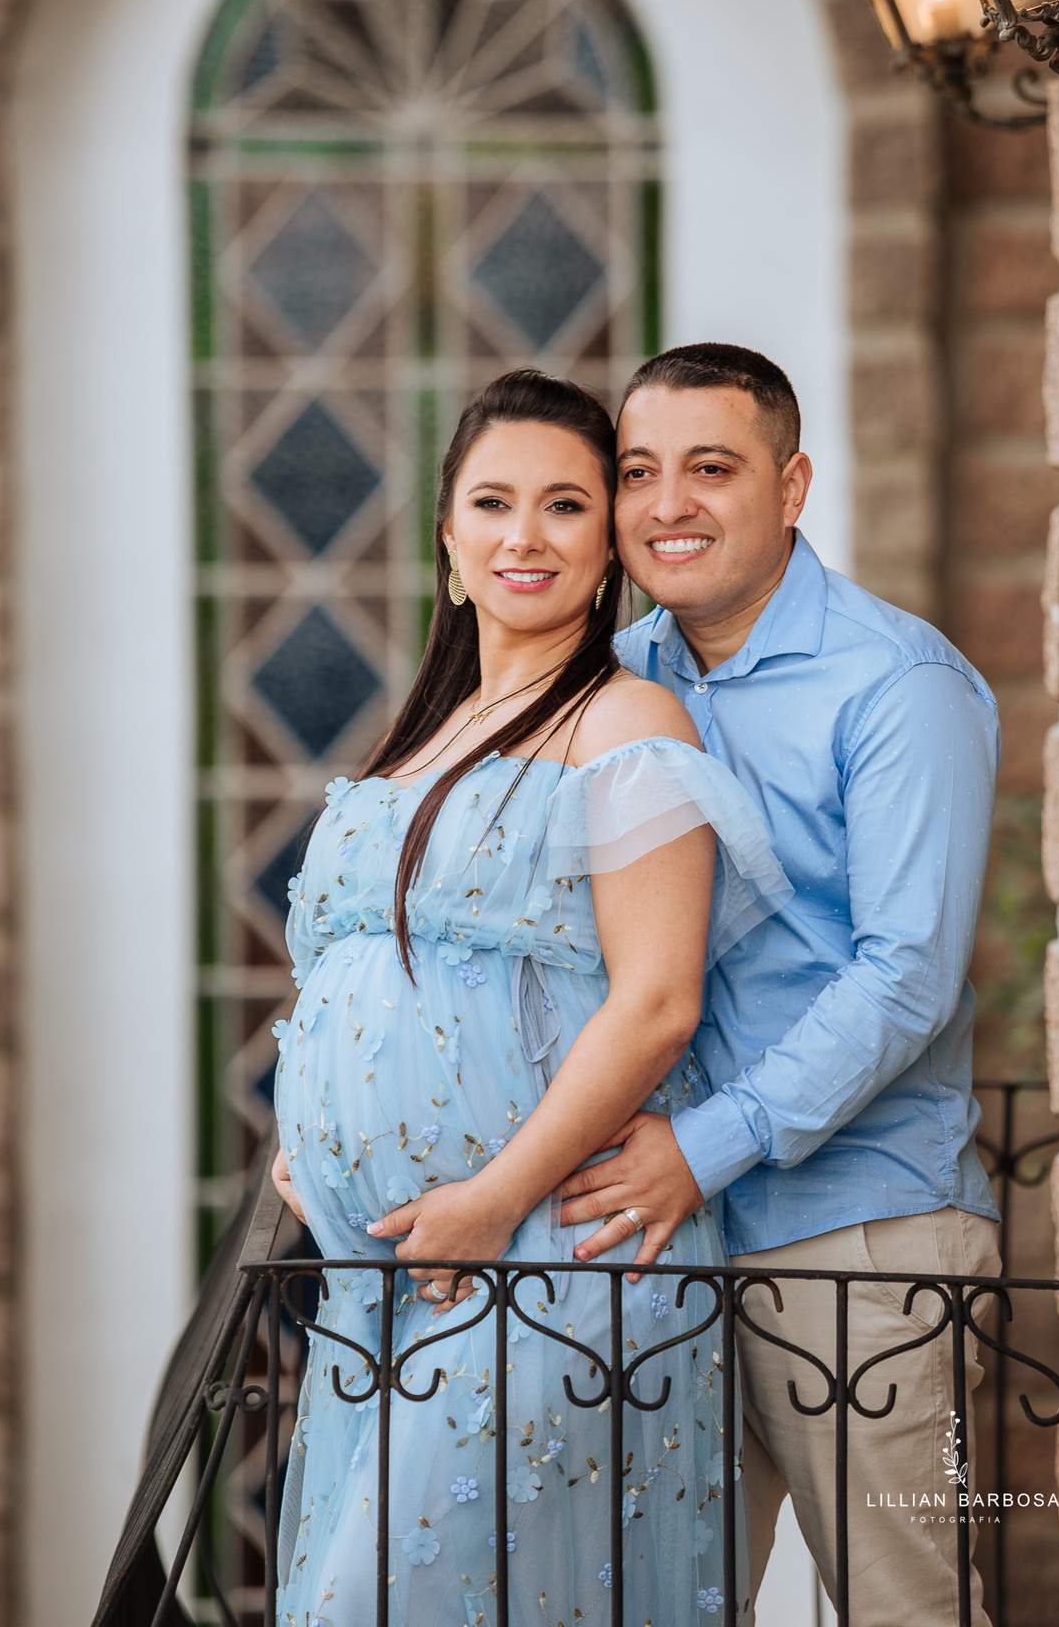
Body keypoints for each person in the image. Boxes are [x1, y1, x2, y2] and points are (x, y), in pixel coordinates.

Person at [268, 369, 790, 1626]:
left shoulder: (626, 722)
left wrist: (496, 1199)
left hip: (548, 1258)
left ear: (606, 544)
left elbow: (659, 1003)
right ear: (447, 537)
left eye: (565, 505)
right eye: (493, 502)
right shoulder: (420, 736)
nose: (526, 535)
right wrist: (311, 1140)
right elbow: (344, 976)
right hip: (384, 1270)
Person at [559, 343, 1002, 1627]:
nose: (667, 505)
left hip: (853, 1234)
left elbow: (908, 974)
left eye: (713, 467)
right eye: (639, 471)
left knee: (901, 1608)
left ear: (793, 484)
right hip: (659, 1238)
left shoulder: (897, 684)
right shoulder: (618, 680)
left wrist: (701, 1149)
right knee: (666, 1606)